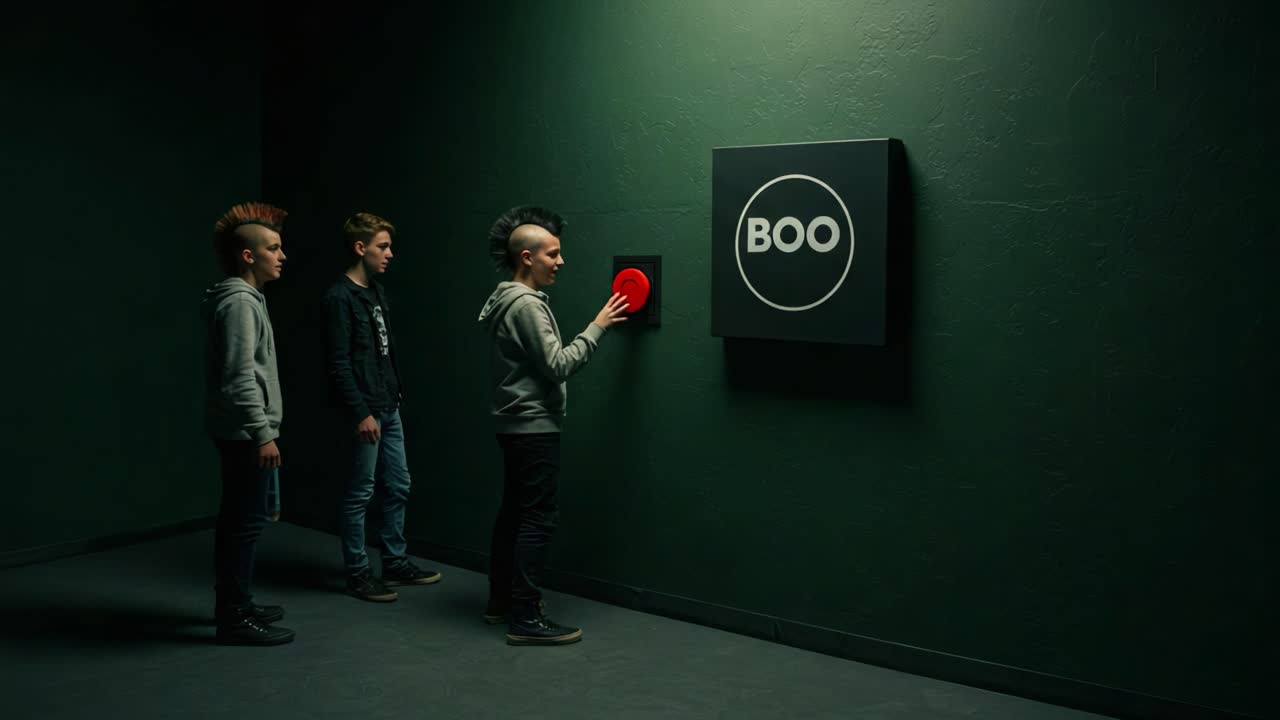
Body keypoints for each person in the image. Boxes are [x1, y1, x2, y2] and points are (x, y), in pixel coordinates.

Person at [477, 205, 630, 645]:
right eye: (553, 255)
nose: (560, 262)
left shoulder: (508, 298)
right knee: (537, 519)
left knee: (514, 514)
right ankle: (525, 616)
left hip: (515, 425)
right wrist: (598, 327)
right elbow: (559, 365)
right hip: (534, 427)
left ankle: (501, 603)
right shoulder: (527, 305)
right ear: (527, 257)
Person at [323, 212, 441, 603]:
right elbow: (338, 363)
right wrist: (361, 413)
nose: (389, 254)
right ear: (361, 248)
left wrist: (395, 394)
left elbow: (383, 353)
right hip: (367, 410)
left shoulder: (375, 291)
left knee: (400, 485)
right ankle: (357, 572)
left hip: (389, 405)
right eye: (383, 246)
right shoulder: (340, 298)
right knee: (361, 492)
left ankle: (394, 561)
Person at [202, 202, 294, 645]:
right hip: (244, 433)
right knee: (243, 524)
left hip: (242, 430)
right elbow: (239, 376)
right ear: (248, 256)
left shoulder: (246, 299)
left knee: (243, 522)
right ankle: (234, 617)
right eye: (273, 248)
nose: (282, 255)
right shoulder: (240, 302)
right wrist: (263, 434)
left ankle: (238, 603)